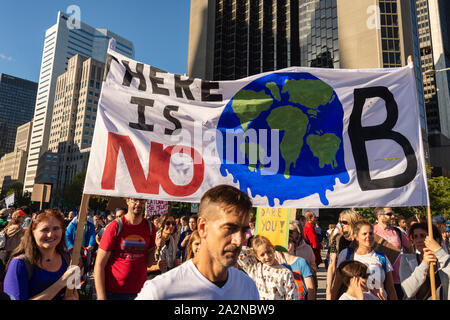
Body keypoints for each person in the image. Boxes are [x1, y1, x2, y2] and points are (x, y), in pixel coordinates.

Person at [135, 185, 259, 300]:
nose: (238, 241)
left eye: (244, 231)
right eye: (229, 229)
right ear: (202, 227)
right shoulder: (159, 292)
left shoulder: (248, 287)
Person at [3, 209, 79, 300]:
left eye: (56, 228)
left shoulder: (67, 258)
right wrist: (60, 283)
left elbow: (74, 293)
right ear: (33, 231)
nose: (50, 234)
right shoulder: (19, 264)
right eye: (45, 230)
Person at [94, 198, 157, 300]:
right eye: (135, 200)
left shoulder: (150, 227)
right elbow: (99, 264)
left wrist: (156, 247)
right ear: (127, 201)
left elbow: (149, 263)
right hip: (114, 292)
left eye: (142, 201)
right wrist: (101, 297)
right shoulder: (115, 226)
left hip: (140, 292)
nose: (138, 204)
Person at [332, 220, 397, 300]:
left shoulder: (381, 257)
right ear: (356, 237)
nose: (368, 236)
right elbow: (337, 285)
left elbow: (390, 288)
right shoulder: (346, 254)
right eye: (364, 234)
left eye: (371, 233)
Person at [237, 235, 298, 300]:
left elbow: (292, 296)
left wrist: (259, 251)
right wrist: (255, 250)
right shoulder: (254, 269)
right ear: (257, 257)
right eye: (262, 254)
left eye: (269, 252)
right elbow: (239, 251)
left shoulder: (285, 273)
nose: (267, 257)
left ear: (273, 249)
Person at [400, 222, 450, 300]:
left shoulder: (444, 258)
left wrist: (438, 251)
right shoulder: (407, 259)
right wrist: (424, 263)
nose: (418, 240)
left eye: (423, 236)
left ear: (435, 239)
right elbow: (408, 291)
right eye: (415, 237)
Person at [373, 207, 413, 299]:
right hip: (378, 280)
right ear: (379, 216)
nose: (393, 216)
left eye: (392, 214)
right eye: (389, 214)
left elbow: (410, 249)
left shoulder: (397, 231)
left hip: (398, 280)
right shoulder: (371, 231)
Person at [326, 209, 361, 300]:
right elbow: (332, 265)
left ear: (352, 222)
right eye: (340, 222)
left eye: (345, 222)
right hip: (342, 282)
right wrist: (328, 289)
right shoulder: (338, 239)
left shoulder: (362, 238)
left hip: (361, 280)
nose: (341, 224)